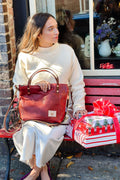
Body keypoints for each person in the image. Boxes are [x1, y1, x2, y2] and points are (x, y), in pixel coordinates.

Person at [12, 12, 87, 180]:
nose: (57, 32)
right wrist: (35, 87)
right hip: (33, 113)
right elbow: (18, 87)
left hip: (59, 114)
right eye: (50, 29)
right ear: (38, 34)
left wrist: (79, 107)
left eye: (56, 28)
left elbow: (77, 83)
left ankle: (35, 172)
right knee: (29, 132)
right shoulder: (25, 56)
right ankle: (43, 169)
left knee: (48, 135)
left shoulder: (66, 51)